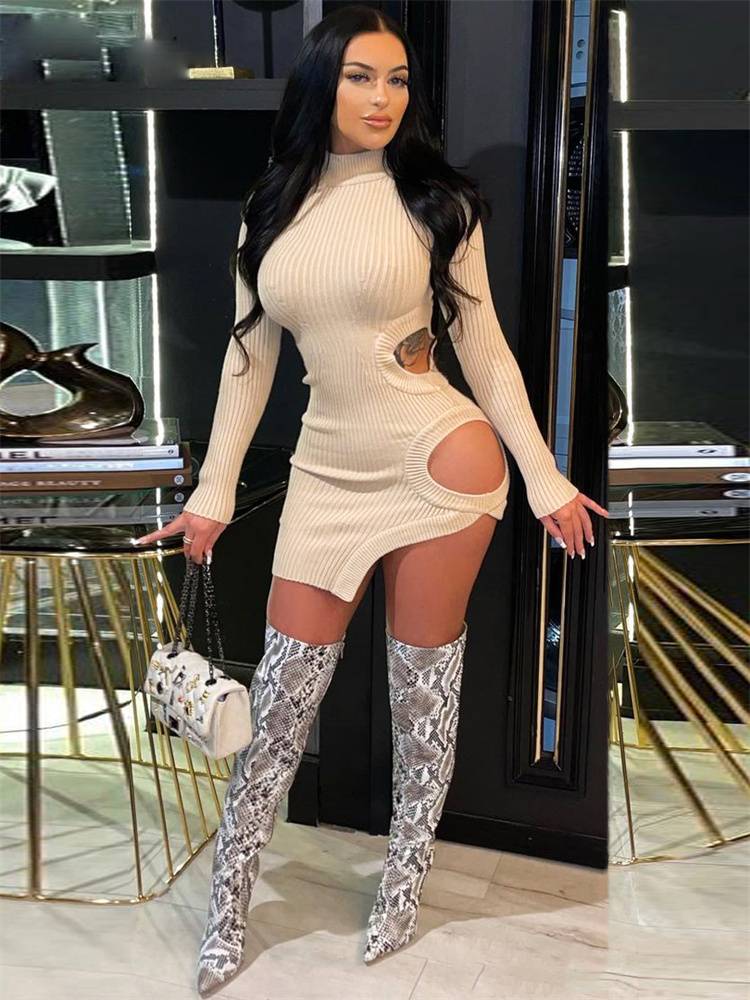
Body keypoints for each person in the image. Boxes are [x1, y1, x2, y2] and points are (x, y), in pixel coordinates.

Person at [135, 5, 608, 995]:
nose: (384, 97)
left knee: (419, 696)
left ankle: (403, 882)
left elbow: (484, 348)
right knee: (278, 706)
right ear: (324, 84)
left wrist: (545, 474)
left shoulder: (439, 203)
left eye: (397, 79)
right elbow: (247, 358)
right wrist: (212, 493)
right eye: (361, 76)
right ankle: (228, 910)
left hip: (439, 463)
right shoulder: (270, 204)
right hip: (325, 475)